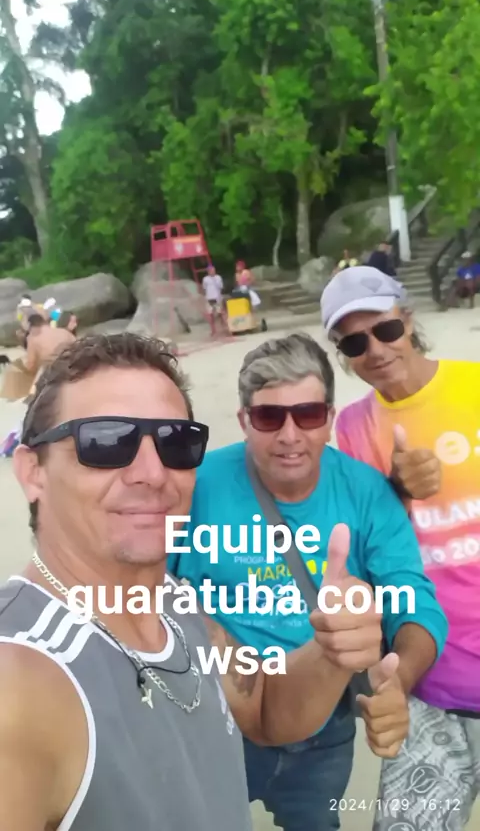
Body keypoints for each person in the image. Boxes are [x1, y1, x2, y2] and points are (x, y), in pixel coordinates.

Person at [2, 331, 393, 831]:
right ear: (32, 471)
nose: (152, 472)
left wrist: (331, 648)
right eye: (105, 441)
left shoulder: (175, 603)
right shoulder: (20, 683)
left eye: (175, 442)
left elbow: (265, 709)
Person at [168, 332, 448, 831]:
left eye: (309, 414)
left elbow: (413, 600)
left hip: (323, 724)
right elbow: (145, 585)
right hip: (214, 717)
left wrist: (396, 680)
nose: (290, 435)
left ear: (330, 419)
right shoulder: (196, 486)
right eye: (269, 417)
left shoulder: (366, 492)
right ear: (244, 421)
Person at [320, 265, 480, 831]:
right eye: (355, 343)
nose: (376, 350)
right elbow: (369, 549)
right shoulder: (353, 428)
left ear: (408, 320)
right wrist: (397, 492)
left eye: (386, 330)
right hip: (427, 675)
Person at [202, 265, 225, 335]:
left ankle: (223, 327)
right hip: (209, 298)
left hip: (217, 298)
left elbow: (221, 287)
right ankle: (213, 330)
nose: (213, 272)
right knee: (210, 314)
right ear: (208, 272)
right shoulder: (205, 279)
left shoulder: (218, 277)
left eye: (214, 270)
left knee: (220, 313)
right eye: (211, 271)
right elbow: (204, 288)